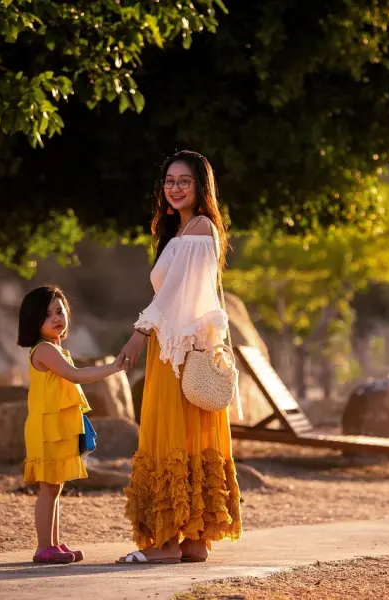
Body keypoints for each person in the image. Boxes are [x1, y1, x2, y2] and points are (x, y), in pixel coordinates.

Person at [116, 150, 242, 565]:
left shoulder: (201, 227)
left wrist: (139, 332)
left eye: (184, 180)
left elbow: (172, 295)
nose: (175, 187)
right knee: (186, 436)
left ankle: (166, 543)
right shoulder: (182, 229)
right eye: (169, 180)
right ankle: (192, 542)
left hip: (178, 352)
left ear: (201, 186)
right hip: (180, 348)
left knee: (169, 434)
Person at [18, 285, 124, 564]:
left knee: (55, 487)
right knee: (48, 487)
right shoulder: (43, 351)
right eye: (47, 314)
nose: (56, 317)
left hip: (56, 427)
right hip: (46, 428)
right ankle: (43, 548)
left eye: (60, 310)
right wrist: (114, 367)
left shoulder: (56, 349)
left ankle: (52, 544)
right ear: (33, 322)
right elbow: (75, 376)